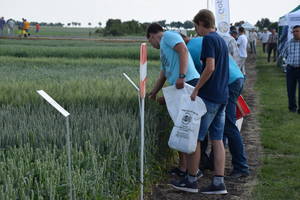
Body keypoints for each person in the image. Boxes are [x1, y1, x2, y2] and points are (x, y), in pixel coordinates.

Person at [171, 9, 229, 195]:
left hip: (209, 97)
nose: (196, 31)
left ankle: (191, 179)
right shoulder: (221, 39)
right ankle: (219, 182)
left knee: (194, 138)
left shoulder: (209, 40)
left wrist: (196, 89)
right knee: (217, 140)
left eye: (196, 27)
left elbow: (210, 67)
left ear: (201, 23)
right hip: (222, 96)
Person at [146, 23, 202, 185]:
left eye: (150, 42)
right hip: (179, 86)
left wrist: (182, 76)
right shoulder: (164, 48)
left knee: (186, 128)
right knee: (179, 127)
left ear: (152, 35)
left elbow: (183, 50)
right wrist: (154, 92)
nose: (152, 45)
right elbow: (164, 73)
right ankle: (183, 168)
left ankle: (193, 172)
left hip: (187, 82)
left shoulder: (168, 36)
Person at [281, 25, 300, 113]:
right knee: (290, 89)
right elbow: (283, 55)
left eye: (297, 31)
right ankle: (292, 108)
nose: (295, 33)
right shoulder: (289, 43)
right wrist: (286, 64)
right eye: (294, 31)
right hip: (291, 69)